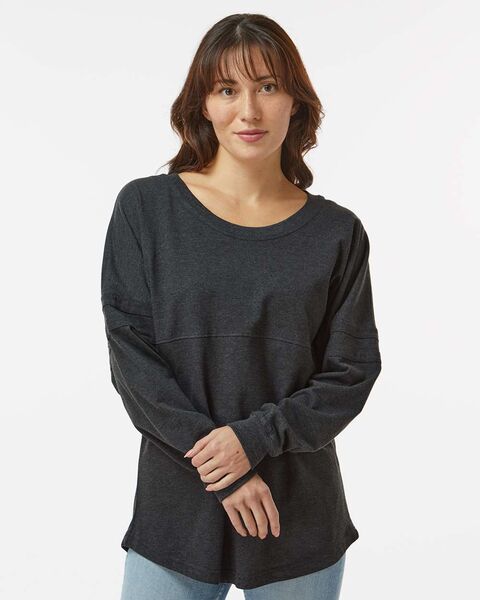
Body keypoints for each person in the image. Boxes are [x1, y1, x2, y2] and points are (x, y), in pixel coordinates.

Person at [100, 12, 382, 600]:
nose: (249, 110)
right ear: (203, 105)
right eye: (227, 89)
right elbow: (133, 362)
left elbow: (351, 372)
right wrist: (224, 470)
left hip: (295, 513)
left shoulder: (337, 233)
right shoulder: (146, 210)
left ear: (295, 102)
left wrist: (254, 440)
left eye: (268, 86)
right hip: (176, 510)